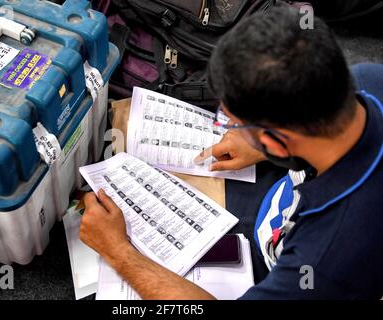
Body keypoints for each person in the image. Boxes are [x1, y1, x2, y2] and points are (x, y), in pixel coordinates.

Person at [79, 7, 383, 299]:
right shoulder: (370, 80)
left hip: (274, 251)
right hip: (283, 194)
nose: (229, 127)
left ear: (278, 143)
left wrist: (119, 253)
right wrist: (258, 144)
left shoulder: (320, 261)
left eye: (236, 123)